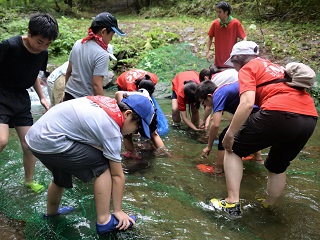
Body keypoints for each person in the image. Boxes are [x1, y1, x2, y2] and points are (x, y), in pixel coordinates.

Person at [209, 41, 318, 216]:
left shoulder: (248, 69)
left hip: (279, 111)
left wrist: (230, 134)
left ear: (238, 59)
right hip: (309, 117)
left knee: (233, 148)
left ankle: (231, 203)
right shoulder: (276, 67)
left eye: (234, 64)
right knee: (277, 165)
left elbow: (246, 103)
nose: (235, 69)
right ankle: (269, 205)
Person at [25, 94, 155, 234]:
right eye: (137, 127)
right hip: (53, 141)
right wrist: (118, 210)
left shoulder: (105, 103)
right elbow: (117, 175)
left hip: (35, 138)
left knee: (61, 173)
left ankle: (51, 214)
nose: (136, 133)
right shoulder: (111, 128)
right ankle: (104, 221)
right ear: (128, 114)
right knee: (103, 166)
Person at [0, 13, 59, 193]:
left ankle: (28, 181)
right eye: (40, 42)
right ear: (29, 33)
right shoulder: (9, 46)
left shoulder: (43, 54)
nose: (42, 47)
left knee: (29, 145)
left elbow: (34, 75)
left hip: (21, 98)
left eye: (48, 43)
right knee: (2, 141)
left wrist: (41, 96)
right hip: (1, 94)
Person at [196, 80, 263, 175]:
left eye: (203, 102)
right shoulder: (221, 90)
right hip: (260, 111)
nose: (204, 105)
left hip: (254, 114)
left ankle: (218, 170)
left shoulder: (217, 96)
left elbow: (215, 125)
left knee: (223, 137)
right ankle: (258, 159)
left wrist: (209, 146)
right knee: (245, 131)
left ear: (209, 96)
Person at [64, 12, 125, 101]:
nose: (111, 39)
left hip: (69, 95)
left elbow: (69, 71)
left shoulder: (78, 43)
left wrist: (65, 92)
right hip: (84, 101)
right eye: (111, 35)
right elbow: (96, 85)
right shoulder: (102, 54)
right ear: (103, 32)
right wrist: (104, 106)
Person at [206, 1, 247, 68]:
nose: (218, 14)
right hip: (218, 60)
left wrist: (241, 50)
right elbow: (210, 37)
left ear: (226, 12)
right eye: (217, 12)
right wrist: (207, 52)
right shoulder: (215, 23)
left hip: (231, 60)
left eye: (220, 12)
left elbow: (244, 37)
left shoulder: (235, 23)